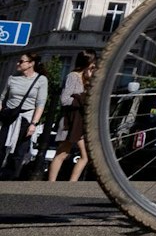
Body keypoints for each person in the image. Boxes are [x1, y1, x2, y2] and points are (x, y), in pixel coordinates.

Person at [46, 51, 94, 182]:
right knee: (63, 153)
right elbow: (65, 99)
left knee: (83, 154)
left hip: (79, 121)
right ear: (87, 63)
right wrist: (81, 98)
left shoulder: (87, 79)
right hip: (69, 120)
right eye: (92, 64)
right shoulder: (73, 76)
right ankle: (52, 182)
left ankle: (71, 183)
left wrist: (89, 79)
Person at [2, 51, 49, 179]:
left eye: (21, 61)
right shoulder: (12, 78)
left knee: (19, 152)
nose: (18, 63)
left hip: (26, 119)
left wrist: (34, 124)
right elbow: (2, 98)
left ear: (31, 64)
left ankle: (11, 179)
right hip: (9, 117)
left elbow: (40, 103)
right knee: (1, 147)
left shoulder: (41, 80)